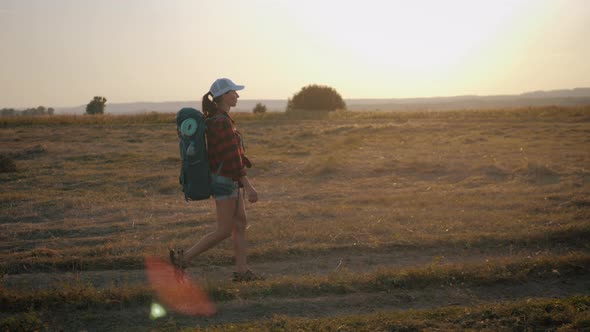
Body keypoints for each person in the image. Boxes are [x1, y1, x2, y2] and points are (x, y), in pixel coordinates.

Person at [170, 78, 263, 282]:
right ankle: (182, 260)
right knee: (224, 230)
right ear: (223, 96)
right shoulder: (221, 122)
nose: (237, 95)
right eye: (233, 92)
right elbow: (232, 158)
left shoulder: (219, 119)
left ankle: (242, 272)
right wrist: (249, 186)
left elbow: (231, 157)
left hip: (227, 179)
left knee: (240, 224)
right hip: (224, 180)